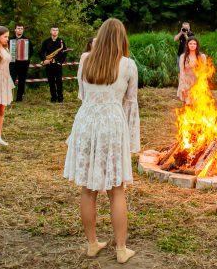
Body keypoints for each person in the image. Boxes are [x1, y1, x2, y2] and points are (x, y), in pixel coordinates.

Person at [63, 18, 140, 264]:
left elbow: (82, 95)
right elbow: (130, 103)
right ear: (122, 38)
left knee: (88, 188)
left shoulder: (86, 60)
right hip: (112, 124)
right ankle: (121, 249)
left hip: (86, 122)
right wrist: (130, 139)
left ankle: (92, 243)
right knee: (117, 190)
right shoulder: (128, 65)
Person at [39, 25, 67, 103]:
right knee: (51, 82)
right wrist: (44, 60)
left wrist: (59, 62)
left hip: (57, 65)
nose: (55, 31)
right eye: (53, 30)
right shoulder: (46, 41)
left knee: (59, 81)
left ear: (58, 32)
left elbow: (64, 53)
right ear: (50, 31)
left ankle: (60, 98)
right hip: (49, 65)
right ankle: (53, 97)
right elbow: (41, 52)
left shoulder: (61, 41)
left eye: (56, 30)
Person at [178, 37, 205, 104]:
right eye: (190, 43)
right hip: (186, 80)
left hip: (197, 81)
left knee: (197, 102)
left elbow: (203, 71)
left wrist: (203, 82)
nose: (192, 45)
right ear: (187, 45)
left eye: (194, 44)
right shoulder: (183, 56)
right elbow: (182, 71)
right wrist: (182, 83)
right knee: (187, 102)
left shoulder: (202, 56)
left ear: (197, 45)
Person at [9, 23, 31, 102]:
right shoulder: (10, 40)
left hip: (23, 64)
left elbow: (30, 51)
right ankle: (9, 97)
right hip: (13, 64)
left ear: (23, 30)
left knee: (22, 81)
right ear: (15, 29)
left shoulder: (27, 40)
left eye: (21, 28)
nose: (20, 30)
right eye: (18, 28)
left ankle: (19, 98)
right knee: (11, 80)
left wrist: (26, 59)